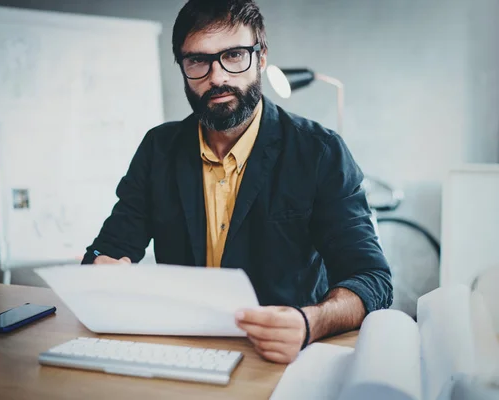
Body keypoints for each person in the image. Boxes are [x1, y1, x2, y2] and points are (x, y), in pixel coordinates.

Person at [82, 0, 392, 364]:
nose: (217, 77)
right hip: (185, 355)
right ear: (182, 67)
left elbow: (372, 279)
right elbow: (106, 251)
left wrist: (311, 322)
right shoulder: (158, 149)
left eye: (233, 55)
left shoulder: (319, 153)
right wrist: (102, 271)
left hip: (280, 360)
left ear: (260, 58)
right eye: (198, 61)